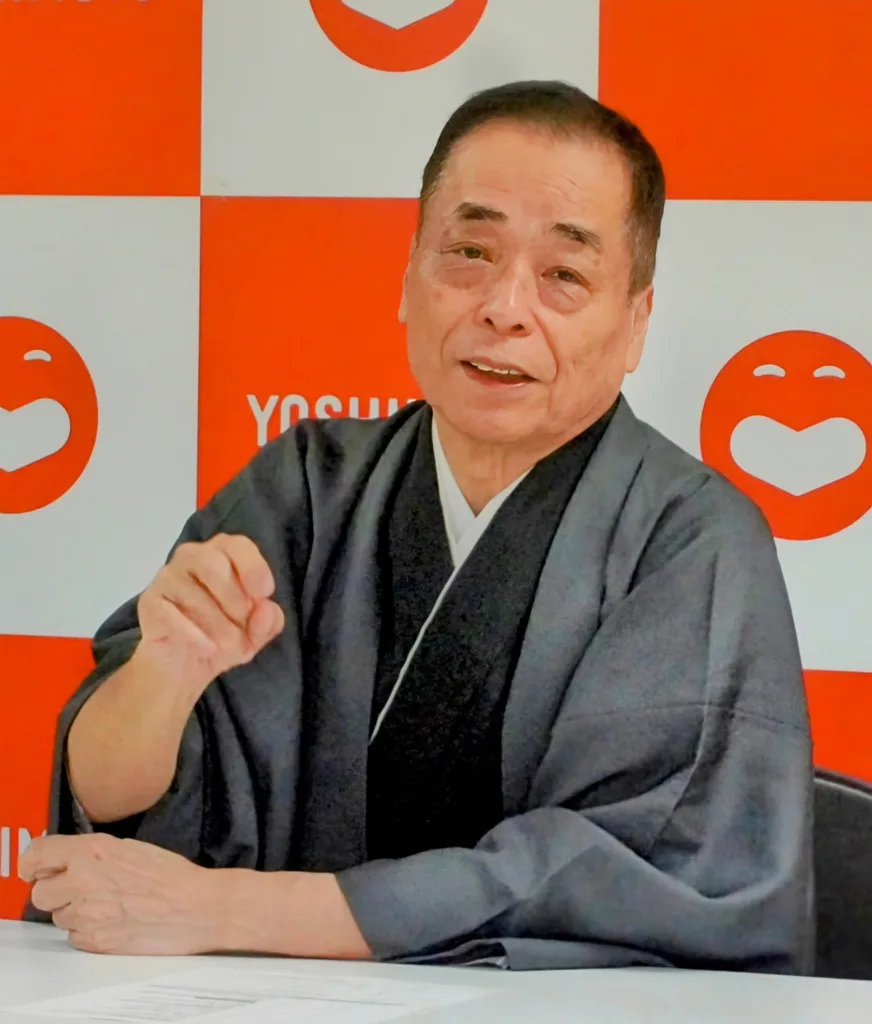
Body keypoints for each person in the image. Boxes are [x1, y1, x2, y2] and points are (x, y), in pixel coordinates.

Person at [21, 80, 813, 973]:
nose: (504, 307)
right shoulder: (308, 486)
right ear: (407, 279)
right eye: (469, 253)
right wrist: (162, 680)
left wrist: (236, 910)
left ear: (635, 324)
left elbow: (620, 874)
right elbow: (110, 800)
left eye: (564, 276)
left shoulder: (693, 538)